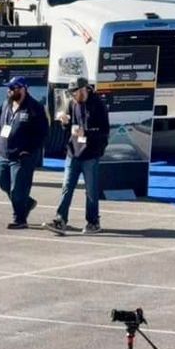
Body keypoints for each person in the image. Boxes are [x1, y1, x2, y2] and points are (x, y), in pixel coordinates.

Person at [49, 77, 111, 234]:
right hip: (73, 152)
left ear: (84, 90)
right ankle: (60, 219)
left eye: (75, 93)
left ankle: (93, 222)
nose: (73, 96)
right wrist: (64, 122)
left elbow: (104, 132)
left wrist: (87, 133)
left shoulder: (98, 105)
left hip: (90, 154)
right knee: (67, 187)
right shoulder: (72, 103)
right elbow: (70, 127)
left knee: (91, 190)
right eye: (71, 94)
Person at [0, 77, 46, 229]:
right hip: (3, 153)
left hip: (23, 156)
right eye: (9, 88)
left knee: (18, 189)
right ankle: (26, 203)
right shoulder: (5, 105)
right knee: (2, 182)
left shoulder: (34, 108)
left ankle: (19, 218)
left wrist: (28, 150)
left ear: (23, 89)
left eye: (13, 88)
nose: (9, 90)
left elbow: (42, 133)